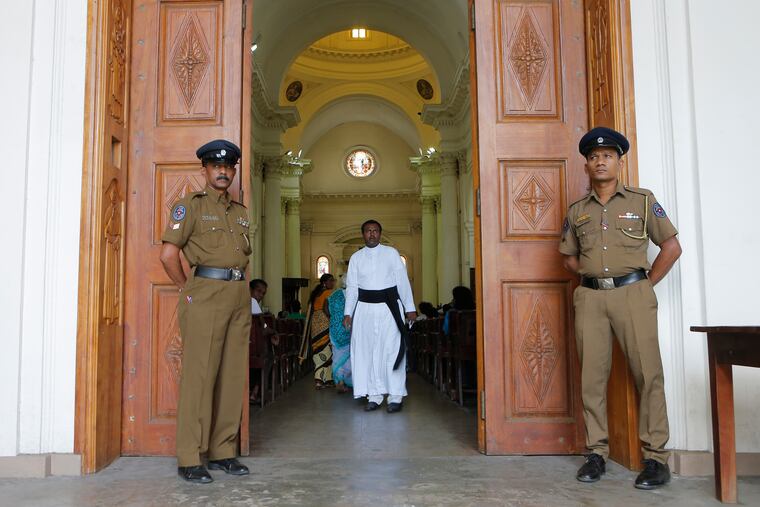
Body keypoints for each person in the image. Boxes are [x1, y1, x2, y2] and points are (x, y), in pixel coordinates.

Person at [559, 127, 682, 490]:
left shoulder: (643, 201)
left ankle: (656, 458)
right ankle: (596, 453)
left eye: (608, 155)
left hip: (633, 295)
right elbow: (568, 258)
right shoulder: (577, 211)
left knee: (648, 374)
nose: (601, 160)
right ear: (586, 165)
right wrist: (592, 280)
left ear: (619, 161)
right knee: (592, 379)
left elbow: (671, 248)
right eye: (594, 156)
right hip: (591, 298)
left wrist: (643, 286)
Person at [159, 139, 251, 484]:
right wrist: (188, 289)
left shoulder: (240, 212)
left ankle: (223, 451)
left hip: (238, 295)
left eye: (229, 168)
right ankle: (190, 457)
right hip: (205, 294)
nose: (223, 172)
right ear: (205, 170)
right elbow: (169, 256)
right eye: (217, 167)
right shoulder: (190, 207)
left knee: (231, 376)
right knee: (199, 377)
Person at [343, 220, 417, 413]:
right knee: (368, 352)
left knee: (392, 351)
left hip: (389, 308)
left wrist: (410, 307)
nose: (372, 234)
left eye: (375, 231)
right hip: (365, 310)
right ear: (363, 234)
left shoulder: (391, 254)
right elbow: (352, 287)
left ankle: (395, 396)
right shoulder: (356, 258)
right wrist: (348, 312)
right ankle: (374, 395)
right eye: (368, 231)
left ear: (380, 233)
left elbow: (402, 281)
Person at [303, 274, 336, 389]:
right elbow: (327, 309)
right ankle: (326, 379)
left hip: (315, 323)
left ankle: (319, 379)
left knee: (318, 350)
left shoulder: (315, 294)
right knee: (327, 350)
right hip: (324, 321)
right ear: (324, 282)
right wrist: (333, 320)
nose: (333, 283)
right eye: (331, 281)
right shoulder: (328, 293)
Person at [326, 276, 352, 393]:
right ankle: (347, 381)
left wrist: (333, 318)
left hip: (335, 330)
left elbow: (325, 307)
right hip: (350, 330)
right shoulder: (354, 295)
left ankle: (340, 382)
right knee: (349, 356)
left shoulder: (334, 295)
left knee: (337, 355)